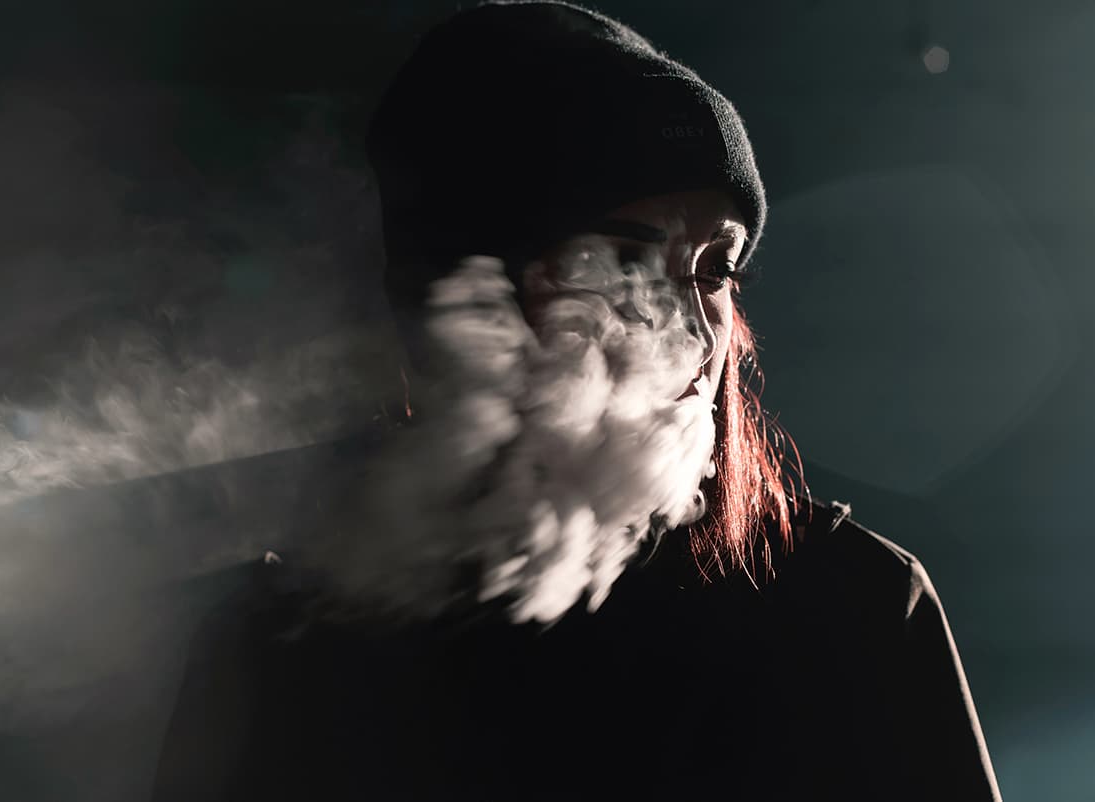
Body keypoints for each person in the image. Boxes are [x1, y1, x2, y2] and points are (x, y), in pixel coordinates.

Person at [150, 2, 1003, 800]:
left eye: (715, 270)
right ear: (466, 292)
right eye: (623, 258)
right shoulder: (285, 644)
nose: (692, 325)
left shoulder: (847, 608)